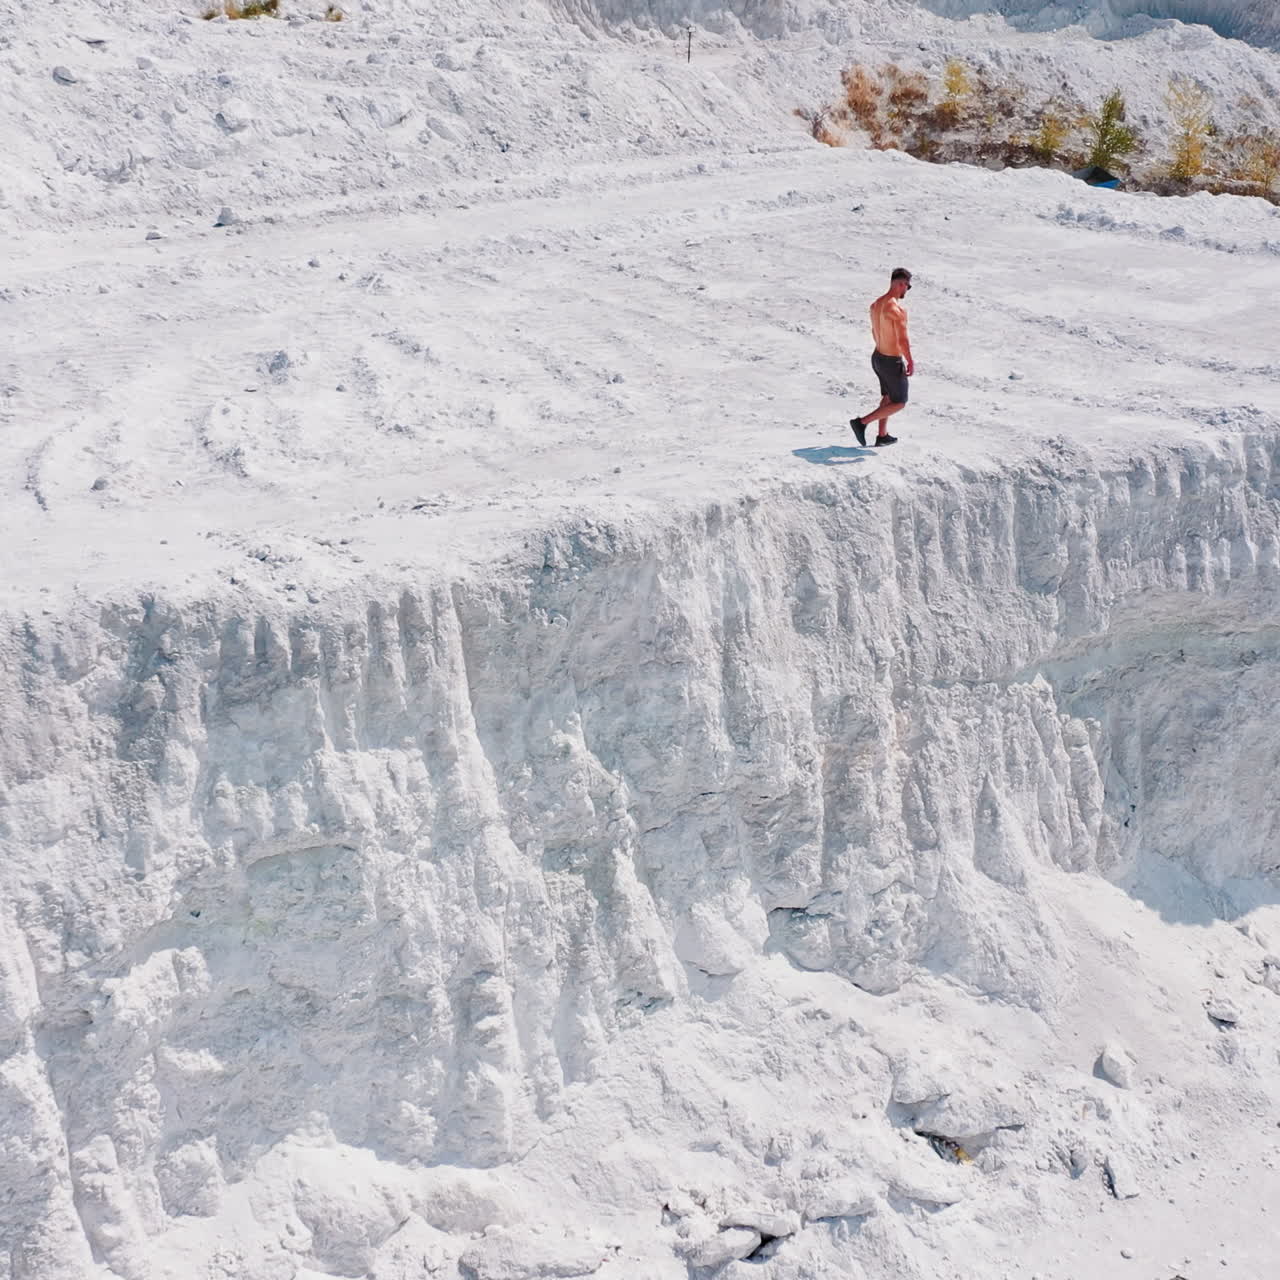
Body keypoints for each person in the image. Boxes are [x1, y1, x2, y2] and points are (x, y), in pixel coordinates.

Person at [851, 267, 914, 447]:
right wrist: (909, 360)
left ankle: (882, 435)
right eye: (907, 287)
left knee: (887, 397)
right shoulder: (896, 310)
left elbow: (874, 331)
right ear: (901, 284)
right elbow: (902, 339)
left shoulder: (875, 305)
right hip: (891, 361)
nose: (906, 291)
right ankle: (861, 423)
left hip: (877, 357)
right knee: (900, 402)